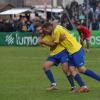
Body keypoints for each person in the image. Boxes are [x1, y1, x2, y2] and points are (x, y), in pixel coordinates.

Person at [41, 22, 100, 91]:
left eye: (46, 30)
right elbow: (56, 25)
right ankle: (83, 86)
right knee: (72, 70)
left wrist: (44, 42)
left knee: (82, 69)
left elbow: (54, 45)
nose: (46, 32)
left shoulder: (56, 30)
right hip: (71, 51)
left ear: (49, 28)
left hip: (76, 49)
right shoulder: (58, 27)